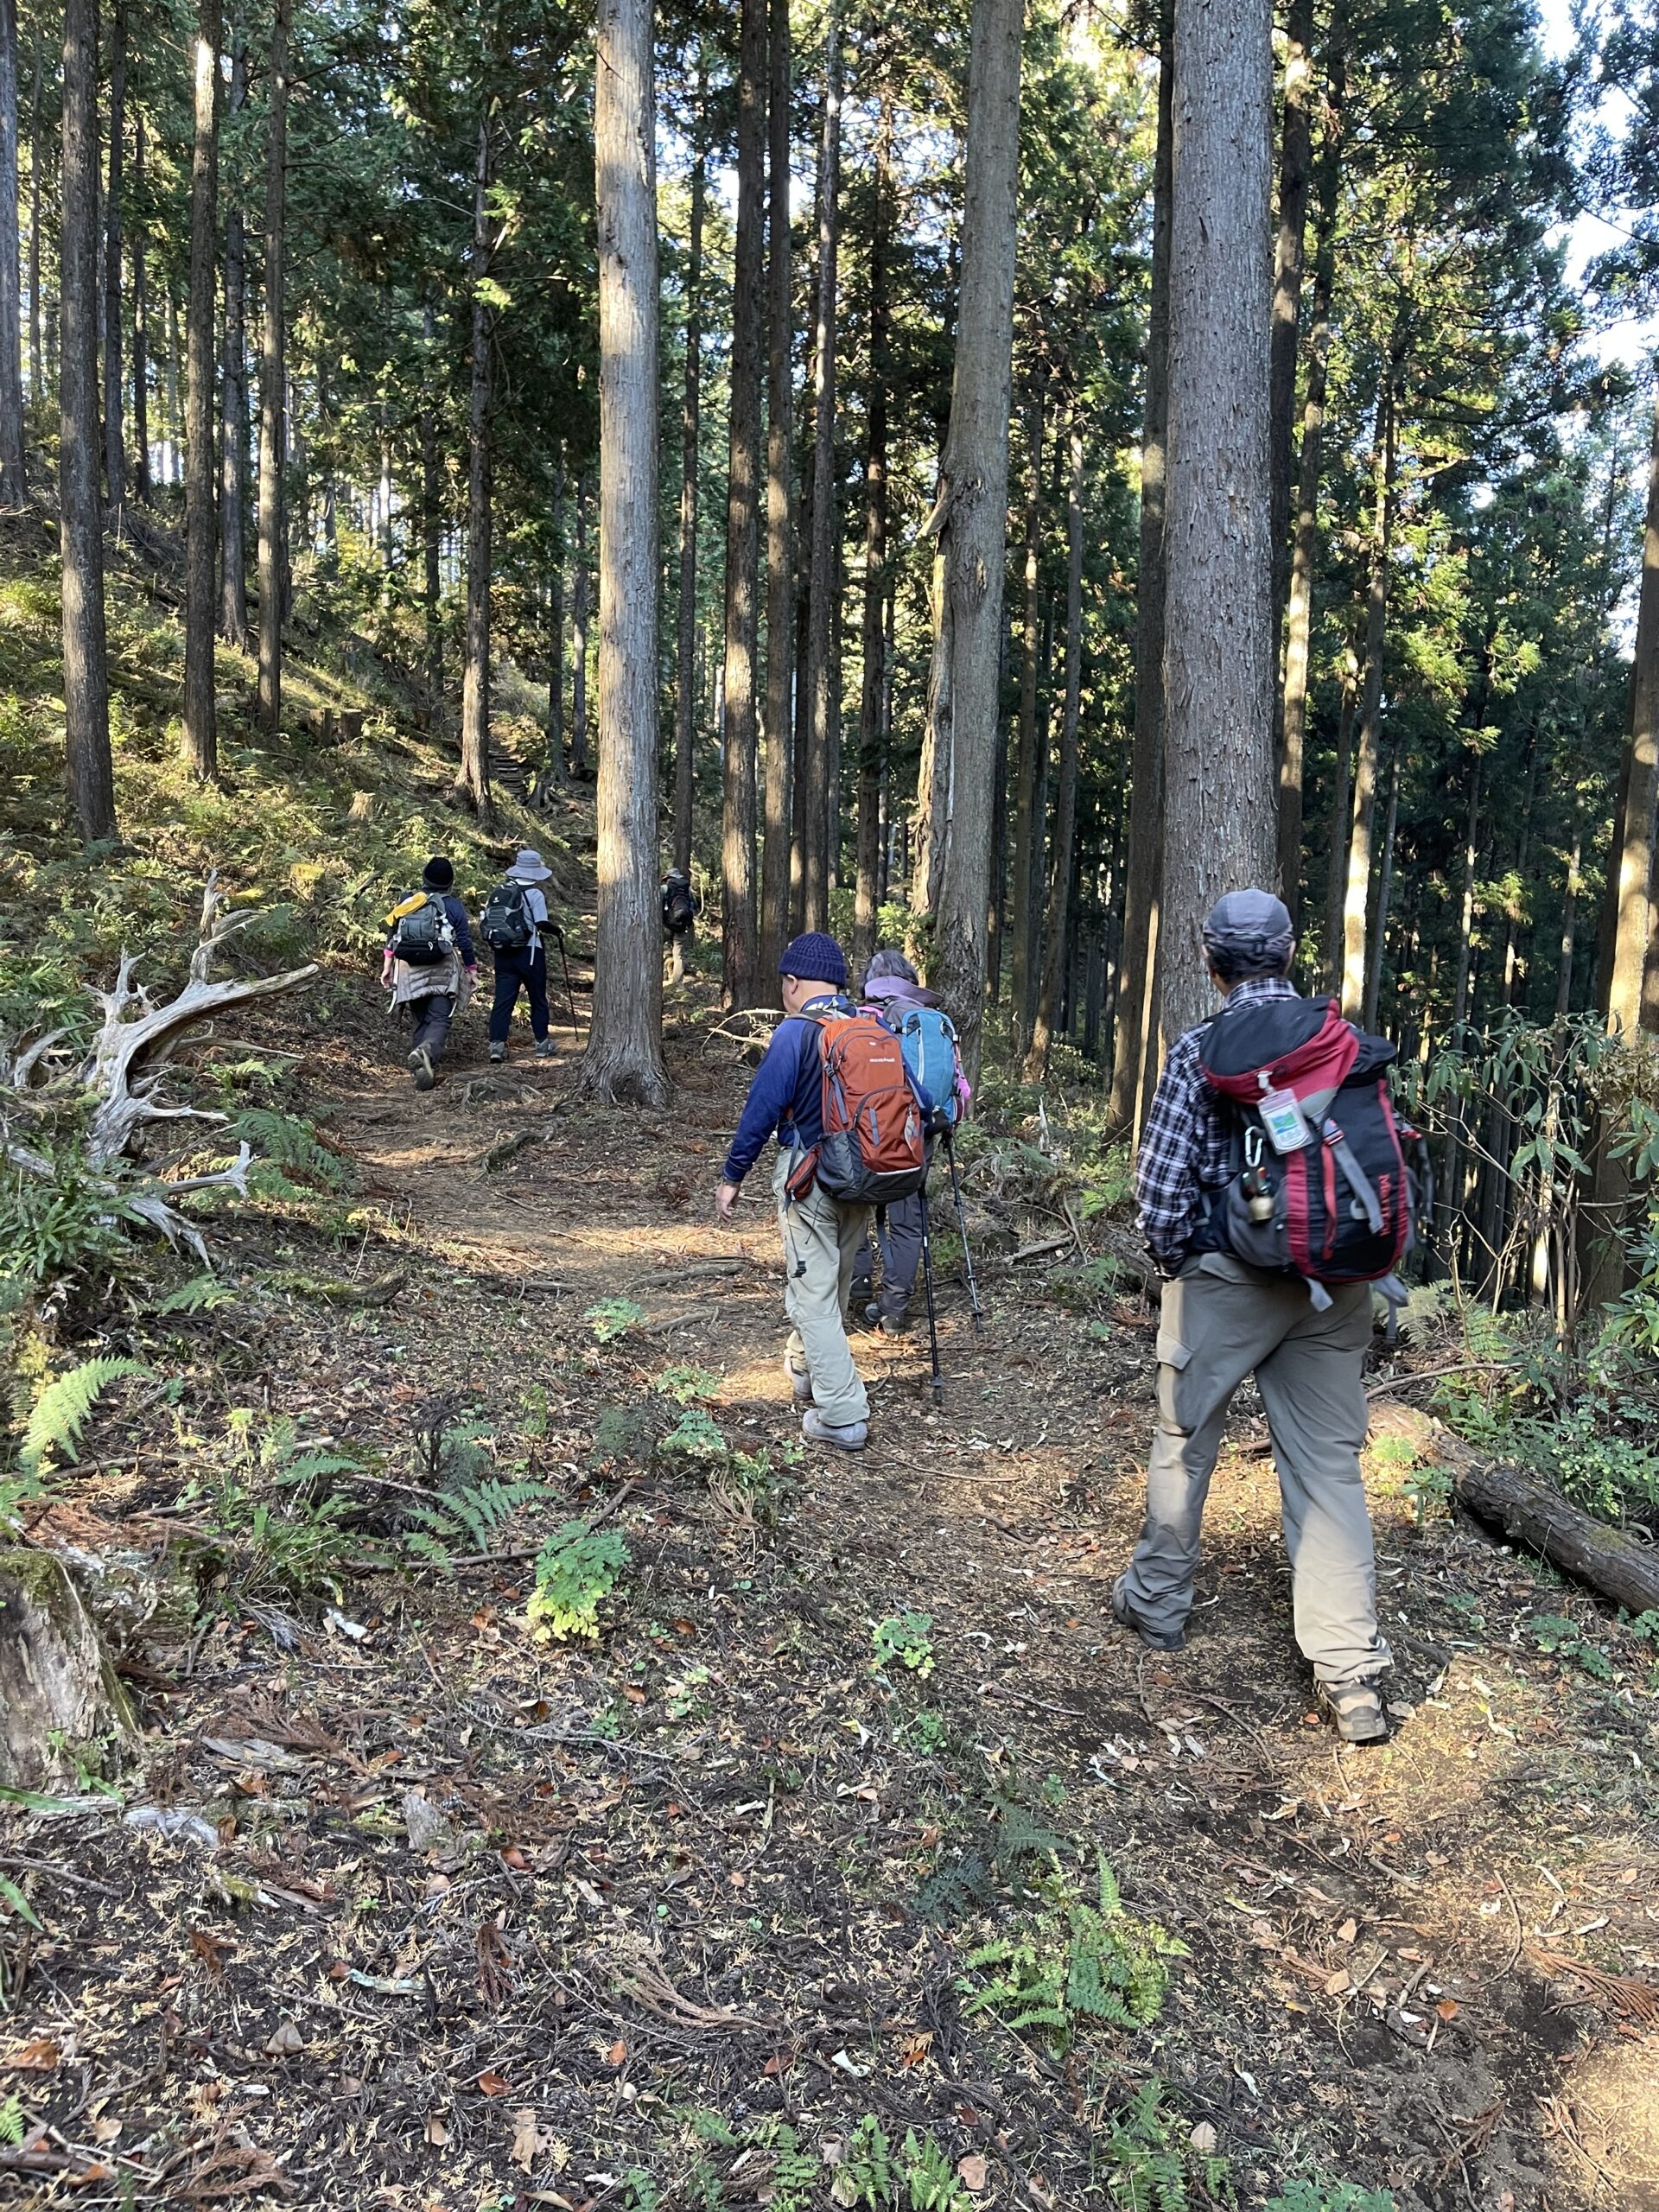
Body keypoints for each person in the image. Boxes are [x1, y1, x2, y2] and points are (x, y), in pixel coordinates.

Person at [1115, 888, 1394, 1745]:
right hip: (1332, 1282)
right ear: (1289, 954)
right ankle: (1351, 1675)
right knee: (1328, 1469)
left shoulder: (1198, 1050)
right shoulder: (1341, 1042)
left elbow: (1158, 1192)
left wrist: (1182, 1267)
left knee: (1183, 1439)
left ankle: (1158, 1602)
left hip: (1223, 1279)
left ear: (1211, 962)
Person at [715, 932, 872, 1452]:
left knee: (812, 1292)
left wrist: (733, 1176)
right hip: (864, 1177)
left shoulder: (796, 1032)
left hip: (810, 1178)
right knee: (835, 1281)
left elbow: (761, 1108)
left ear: (793, 982)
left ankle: (843, 1414)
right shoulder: (870, 1027)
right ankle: (806, 1369)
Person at [849, 949, 950, 1333]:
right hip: (921, 1130)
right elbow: (959, 1086)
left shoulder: (862, 1019)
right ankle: (894, 1308)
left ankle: (858, 1281)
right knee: (907, 1221)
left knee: (854, 1205)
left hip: (871, 1130)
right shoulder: (931, 1022)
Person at [382, 856, 477, 1092]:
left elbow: (392, 935)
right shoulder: (453, 905)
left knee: (421, 1018)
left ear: (424, 878)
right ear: (450, 883)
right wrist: (471, 970)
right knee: (439, 1018)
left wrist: (387, 966)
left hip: (409, 967)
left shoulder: (410, 901)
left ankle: (421, 1068)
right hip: (441, 966)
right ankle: (425, 1053)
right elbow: (464, 941)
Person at [484, 849, 559, 1065]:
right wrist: (557, 932)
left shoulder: (499, 893)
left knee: (502, 1001)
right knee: (537, 999)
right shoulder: (535, 894)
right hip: (530, 952)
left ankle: (496, 1047)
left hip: (503, 953)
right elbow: (541, 923)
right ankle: (542, 1045)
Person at [663, 868, 700, 983]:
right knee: (679, 955)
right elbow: (694, 905)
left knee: (659, 948)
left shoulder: (665, 887)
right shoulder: (686, 888)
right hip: (682, 925)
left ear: (669, 877)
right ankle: (676, 983)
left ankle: (662, 976)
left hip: (667, 925)